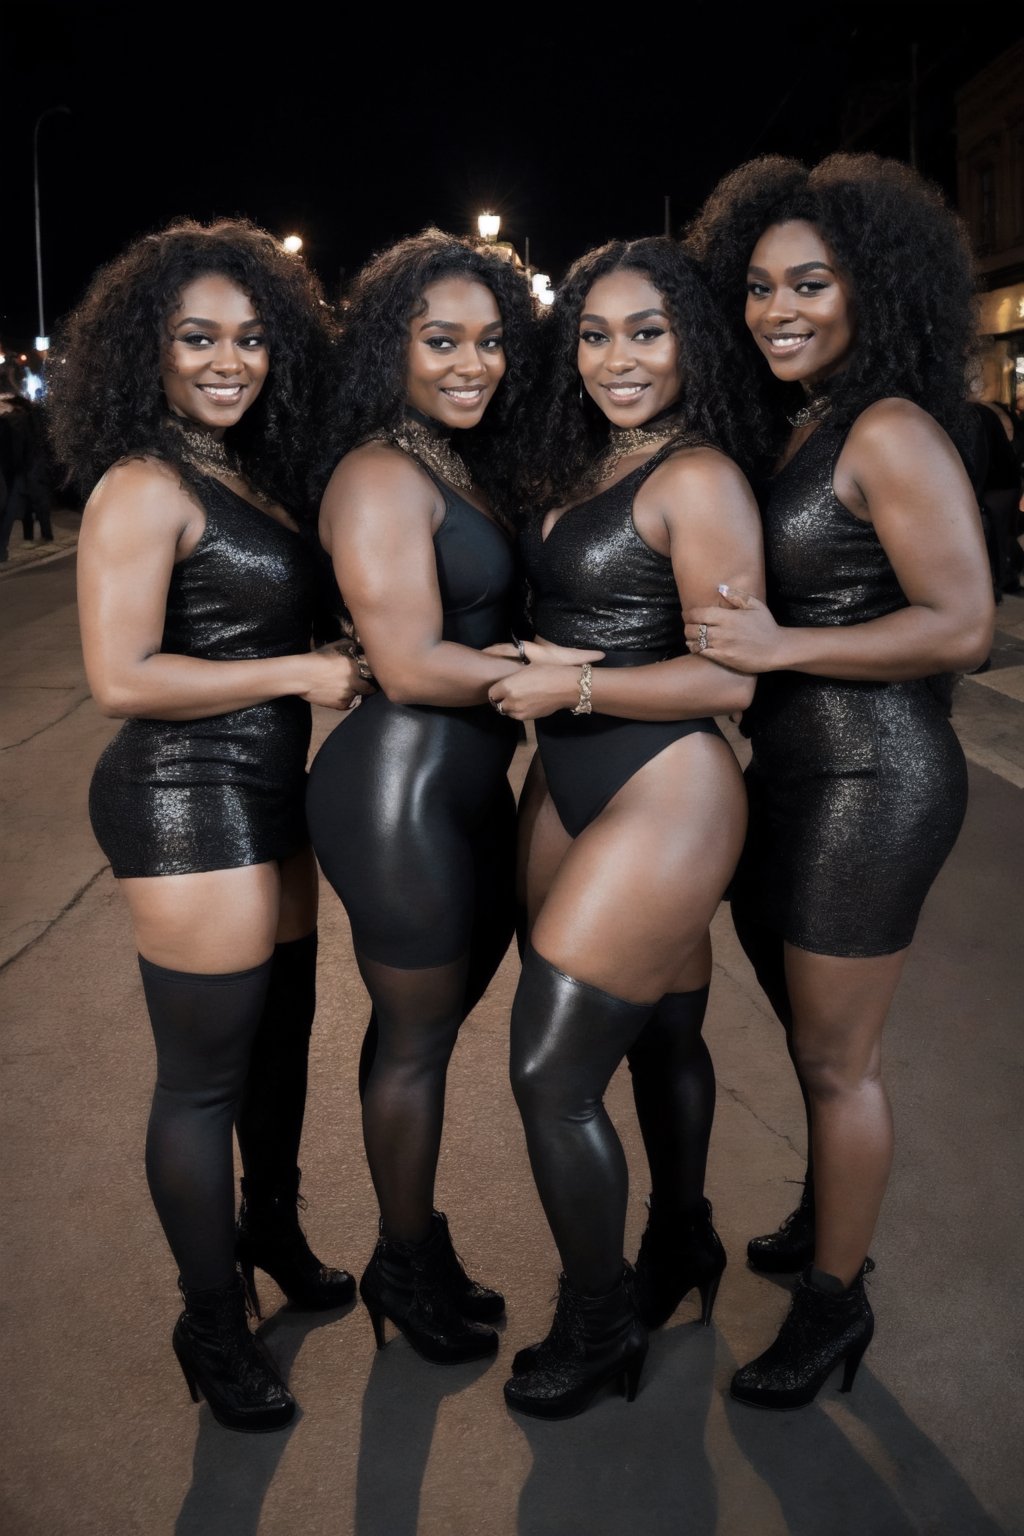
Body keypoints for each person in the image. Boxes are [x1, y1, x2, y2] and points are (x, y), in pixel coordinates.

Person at [47, 219, 373, 1433]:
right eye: (199, 339)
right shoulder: (142, 481)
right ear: (152, 352)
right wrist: (296, 673)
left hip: (268, 790)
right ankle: (208, 1316)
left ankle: (271, 1226)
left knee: (281, 1038)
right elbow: (122, 676)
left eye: (249, 338)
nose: (228, 360)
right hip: (185, 792)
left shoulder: (243, 471)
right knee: (201, 1082)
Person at [685, 154, 994, 1408]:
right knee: (809, 1033)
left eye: (808, 284)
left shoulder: (891, 429)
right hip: (797, 773)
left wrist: (782, 649)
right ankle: (829, 1218)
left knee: (837, 1064)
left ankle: (834, 1305)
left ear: (873, 290)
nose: (777, 310)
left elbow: (962, 622)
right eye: (758, 288)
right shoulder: (803, 421)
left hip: (877, 773)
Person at [485, 238, 764, 1418]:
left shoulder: (698, 477)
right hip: (573, 778)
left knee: (550, 1071)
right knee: (658, 1038)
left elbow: (729, 682)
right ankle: (682, 1239)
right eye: (594, 334)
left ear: (690, 337)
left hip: (667, 782)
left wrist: (577, 689)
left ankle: (598, 1324)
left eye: (644, 330)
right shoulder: (587, 454)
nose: (616, 358)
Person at [306, 230, 589, 1365]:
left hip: (466, 786)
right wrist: (568, 679)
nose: (471, 364)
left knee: (421, 1031)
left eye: (489, 342)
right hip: (397, 794)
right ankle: (403, 1261)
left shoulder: (455, 463)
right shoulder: (379, 471)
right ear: (392, 351)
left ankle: (407, 1249)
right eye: (440, 342)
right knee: (418, 1042)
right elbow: (415, 662)